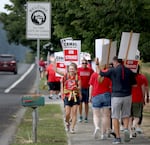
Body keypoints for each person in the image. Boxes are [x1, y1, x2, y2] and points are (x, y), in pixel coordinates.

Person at [99, 56, 136, 144]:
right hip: (127, 96)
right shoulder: (128, 71)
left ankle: (118, 138)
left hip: (116, 96)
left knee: (115, 117)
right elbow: (134, 85)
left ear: (115, 62)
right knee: (126, 115)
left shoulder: (113, 70)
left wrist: (98, 65)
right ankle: (126, 128)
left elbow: (101, 74)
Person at [89, 63, 112, 140]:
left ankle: (97, 127)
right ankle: (103, 134)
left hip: (96, 95)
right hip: (106, 95)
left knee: (96, 115)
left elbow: (91, 86)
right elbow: (110, 86)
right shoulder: (108, 75)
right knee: (105, 116)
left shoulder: (94, 75)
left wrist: (90, 96)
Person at [61, 62, 82, 133]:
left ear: (75, 70)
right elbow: (62, 86)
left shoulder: (78, 77)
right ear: (68, 69)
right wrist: (62, 94)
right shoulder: (65, 76)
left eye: (73, 69)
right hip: (67, 96)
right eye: (70, 69)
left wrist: (77, 88)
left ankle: (72, 128)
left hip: (75, 96)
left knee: (75, 112)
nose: (71, 70)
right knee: (67, 113)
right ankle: (67, 122)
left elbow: (80, 87)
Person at [129, 65, 145, 139]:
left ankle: (130, 133)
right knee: (137, 116)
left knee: (129, 117)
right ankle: (133, 126)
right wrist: (144, 98)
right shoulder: (141, 77)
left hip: (128, 99)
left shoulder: (128, 77)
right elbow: (143, 89)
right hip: (138, 99)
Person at [77, 58, 94, 123]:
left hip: (87, 88)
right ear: (81, 63)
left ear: (87, 64)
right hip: (80, 88)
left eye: (85, 63)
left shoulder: (90, 70)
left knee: (86, 103)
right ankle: (80, 115)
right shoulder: (78, 70)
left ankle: (86, 116)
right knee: (80, 103)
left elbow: (93, 78)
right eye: (83, 63)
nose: (84, 64)